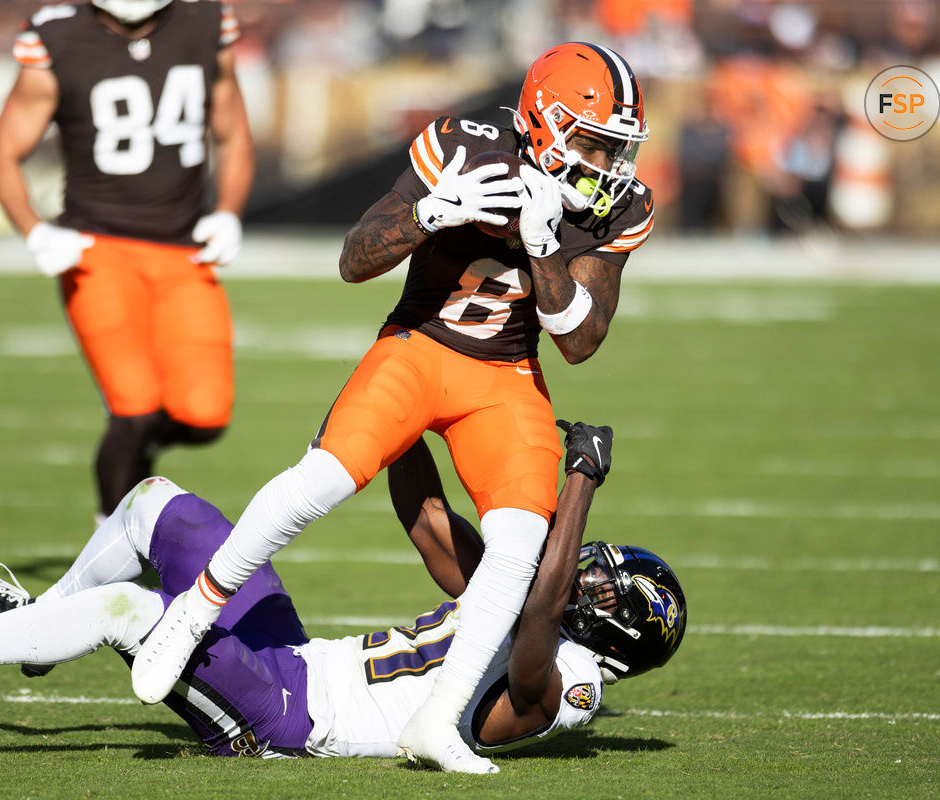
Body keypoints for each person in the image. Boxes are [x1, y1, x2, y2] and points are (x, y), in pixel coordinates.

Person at [129, 42, 655, 773]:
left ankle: (438, 722)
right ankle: (193, 612)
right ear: (544, 122)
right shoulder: (463, 148)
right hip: (419, 347)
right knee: (322, 480)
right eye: (597, 141)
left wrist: (541, 249)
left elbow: (581, 341)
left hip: (505, 374)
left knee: (515, 546)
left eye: (616, 147)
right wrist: (435, 214)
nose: (610, 164)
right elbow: (354, 259)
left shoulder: (620, 208)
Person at [0, 422, 687, 767]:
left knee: (136, 611)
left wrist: (579, 482)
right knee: (158, 506)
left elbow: (539, 617)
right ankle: (34, 619)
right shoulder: (519, 597)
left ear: (622, 638)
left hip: (288, 717)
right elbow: (429, 522)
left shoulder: (570, 684)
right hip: (294, 660)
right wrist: (422, 407)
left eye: (604, 587)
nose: (584, 576)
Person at [0, 0, 254, 522]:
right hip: (97, 250)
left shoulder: (204, 21)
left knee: (205, 416)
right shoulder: (57, 35)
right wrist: (34, 230)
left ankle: (139, 463)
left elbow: (234, 131)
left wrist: (228, 213)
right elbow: (3, 153)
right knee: (134, 409)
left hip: (183, 250)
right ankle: (108, 547)